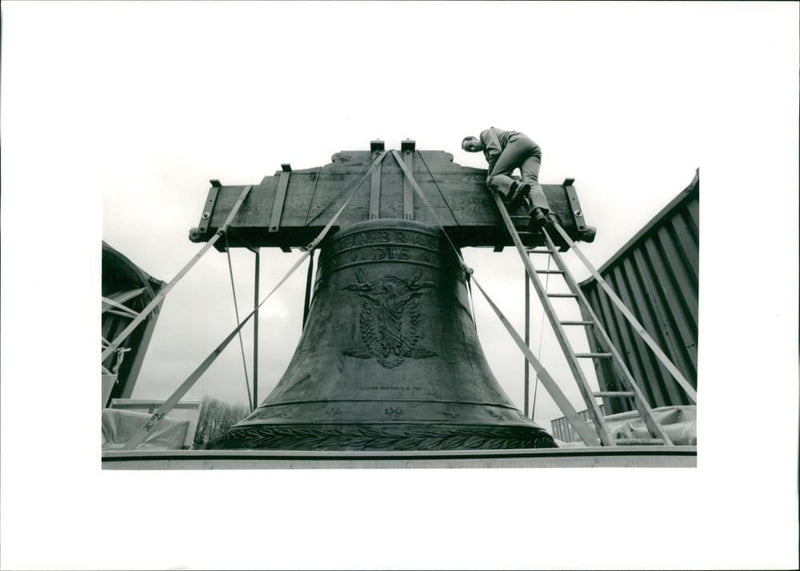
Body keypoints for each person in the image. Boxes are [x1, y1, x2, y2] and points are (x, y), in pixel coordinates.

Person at [462, 127, 552, 231]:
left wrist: (490, 175)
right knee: (531, 181)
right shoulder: (487, 153)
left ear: (474, 138)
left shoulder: (485, 134)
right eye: (470, 150)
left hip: (517, 142)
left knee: (491, 179)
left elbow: (495, 152)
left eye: (471, 145)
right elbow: (505, 170)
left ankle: (516, 188)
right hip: (532, 149)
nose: (473, 149)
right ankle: (538, 212)